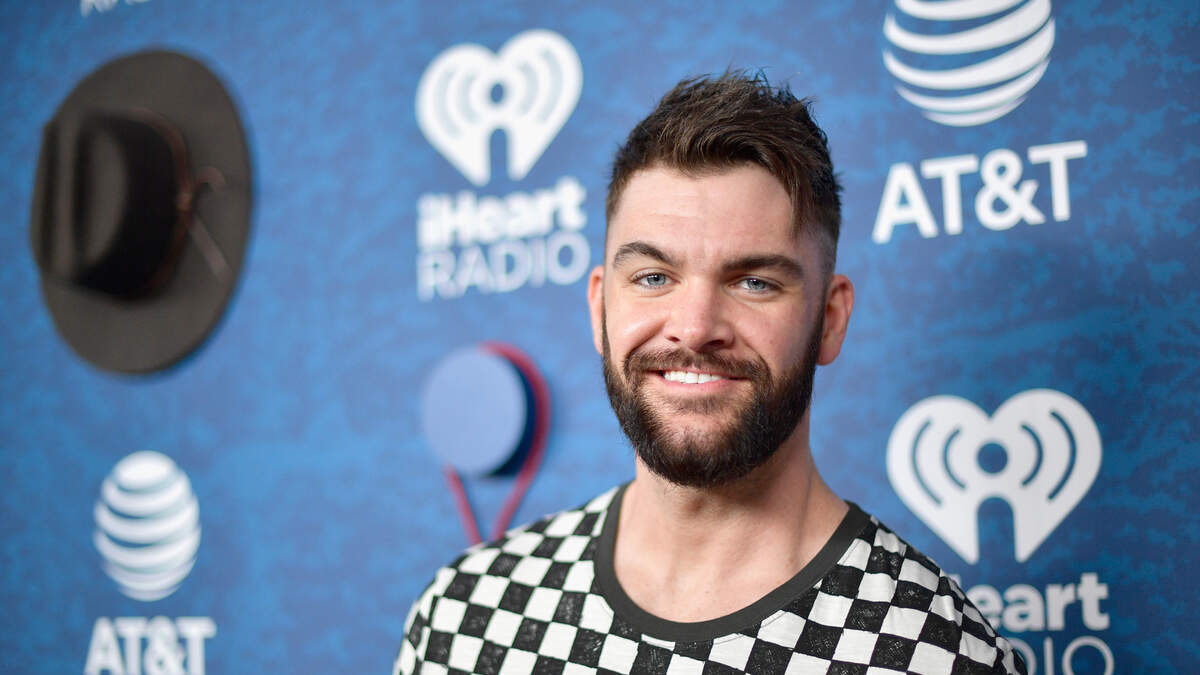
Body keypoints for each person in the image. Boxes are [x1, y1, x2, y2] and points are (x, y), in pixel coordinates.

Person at [395, 72, 1026, 675]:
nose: (695, 328)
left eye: (754, 282)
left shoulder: (934, 654)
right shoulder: (467, 616)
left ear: (830, 320)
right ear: (599, 307)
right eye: (653, 277)